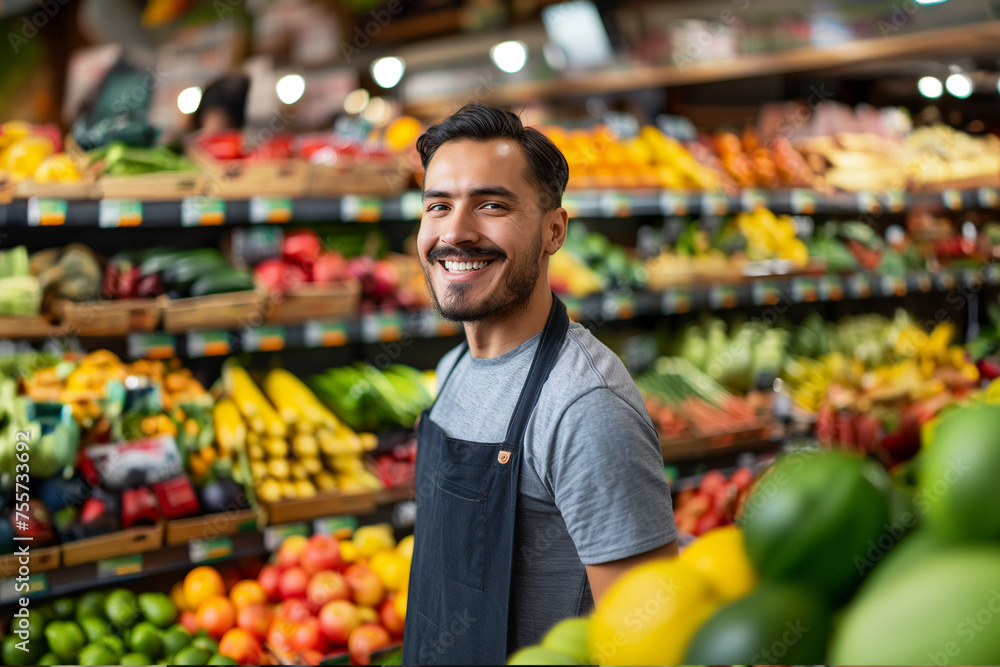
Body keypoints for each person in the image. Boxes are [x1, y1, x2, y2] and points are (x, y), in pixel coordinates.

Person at [402, 104, 678, 665]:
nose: (456, 232)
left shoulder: (584, 407)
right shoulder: (455, 368)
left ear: (554, 230)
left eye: (492, 205)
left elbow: (654, 646)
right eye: (439, 205)